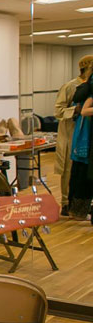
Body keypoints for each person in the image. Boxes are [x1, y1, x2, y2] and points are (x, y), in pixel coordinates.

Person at [54, 55, 93, 216]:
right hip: (71, 134)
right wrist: (76, 110)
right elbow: (58, 111)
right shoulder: (70, 86)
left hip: (88, 134)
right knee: (69, 170)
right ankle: (66, 203)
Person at [68, 72, 93, 221]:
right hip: (86, 142)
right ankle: (77, 210)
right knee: (83, 176)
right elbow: (84, 111)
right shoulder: (88, 94)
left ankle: (78, 210)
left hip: (85, 142)